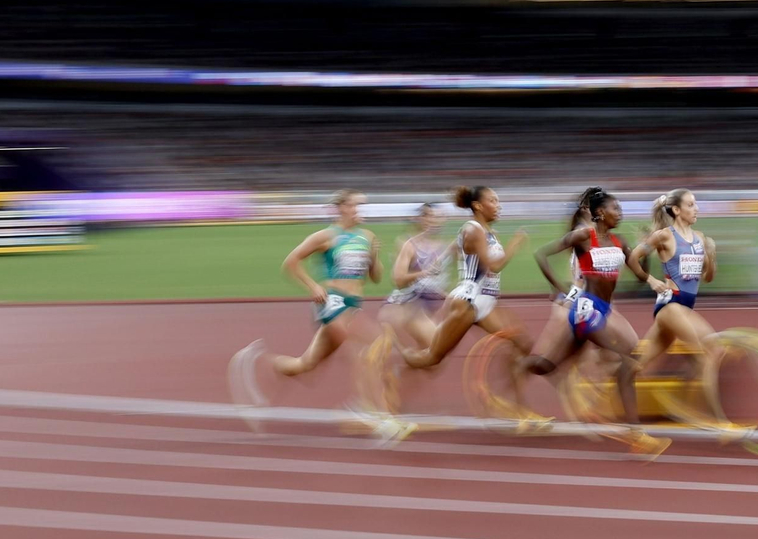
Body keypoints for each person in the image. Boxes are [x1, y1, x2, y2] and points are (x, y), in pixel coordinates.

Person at [229, 189, 407, 441]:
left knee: (307, 366)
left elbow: (375, 277)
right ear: (342, 208)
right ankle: (377, 415)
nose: (360, 211)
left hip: (353, 303)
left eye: (362, 206)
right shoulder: (326, 237)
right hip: (332, 301)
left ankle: (259, 361)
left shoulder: (367, 236)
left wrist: (374, 254)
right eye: (356, 206)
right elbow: (291, 262)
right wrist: (313, 286)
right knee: (371, 344)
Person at [523, 186, 668, 457]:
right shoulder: (583, 236)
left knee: (546, 365)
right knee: (627, 362)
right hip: (584, 309)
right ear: (600, 213)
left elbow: (639, 276)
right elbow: (542, 254)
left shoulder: (620, 242)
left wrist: (646, 252)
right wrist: (560, 287)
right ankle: (637, 436)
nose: (620, 212)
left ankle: (520, 364)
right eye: (615, 208)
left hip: (602, 311)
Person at [389, 186, 535, 410]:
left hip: (486, 301)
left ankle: (518, 406)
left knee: (522, 342)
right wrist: (515, 243)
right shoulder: (472, 230)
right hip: (468, 302)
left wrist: (442, 261)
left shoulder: (488, 233)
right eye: (493, 201)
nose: (499, 205)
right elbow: (494, 266)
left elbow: (456, 251)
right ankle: (398, 366)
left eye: (498, 201)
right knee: (432, 358)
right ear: (478, 205)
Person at [626, 189, 718, 373]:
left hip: (685, 308)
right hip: (671, 305)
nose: (696, 209)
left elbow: (707, 277)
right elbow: (632, 259)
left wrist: (711, 254)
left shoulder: (699, 238)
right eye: (691, 205)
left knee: (639, 366)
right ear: (676, 210)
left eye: (696, 204)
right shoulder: (664, 236)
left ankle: (618, 381)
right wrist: (651, 280)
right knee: (705, 356)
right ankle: (703, 401)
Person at [380, 202, 454, 350]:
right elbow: (398, 279)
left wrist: (447, 295)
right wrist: (424, 273)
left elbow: (440, 281)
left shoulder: (446, 245)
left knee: (429, 360)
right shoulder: (409, 245)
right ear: (420, 219)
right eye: (429, 216)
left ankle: (397, 366)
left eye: (437, 217)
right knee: (437, 350)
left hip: (430, 305)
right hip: (411, 304)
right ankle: (388, 358)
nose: (433, 220)